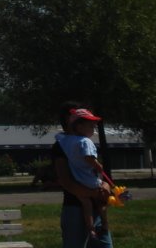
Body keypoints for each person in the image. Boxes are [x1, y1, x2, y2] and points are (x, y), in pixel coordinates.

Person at [52, 102, 113, 248]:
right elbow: (66, 181)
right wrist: (94, 193)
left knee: (105, 244)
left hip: (97, 208)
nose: (92, 126)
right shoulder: (60, 146)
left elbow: (100, 173)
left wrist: (105, 186)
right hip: (75, 207)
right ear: (70, 120)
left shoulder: (87, 143)